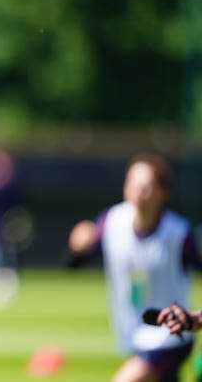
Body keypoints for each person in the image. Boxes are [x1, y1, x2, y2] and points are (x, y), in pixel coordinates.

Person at [67, 153, 202, 382]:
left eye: (146, 185)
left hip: (169, 338)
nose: (138, 190)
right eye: (133, 183)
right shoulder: (112, 222)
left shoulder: (178, 233)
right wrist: (78, 245)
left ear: (163, 192)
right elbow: (76, 262)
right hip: (134, 334)